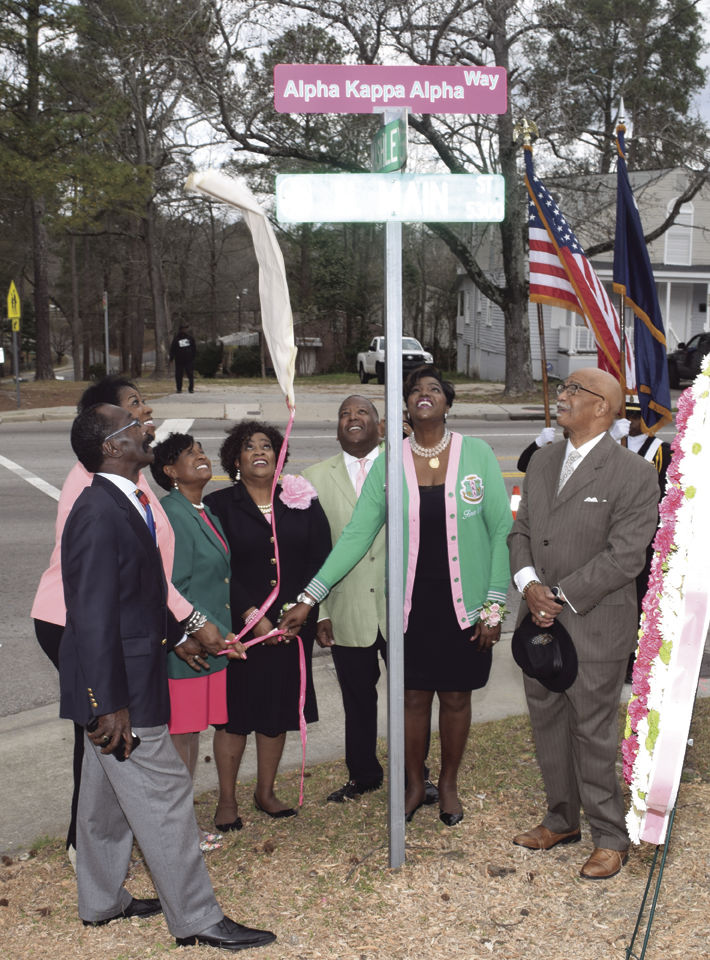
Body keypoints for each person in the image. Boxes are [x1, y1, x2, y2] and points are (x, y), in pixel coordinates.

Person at [60, 403, 275, 950]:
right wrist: (107, 702)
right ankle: (197, 917)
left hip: (130, 670)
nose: (148, 429)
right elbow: (91, 614)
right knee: (166, 796)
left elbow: (138, 590)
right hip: (120, 688)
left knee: (103, 800)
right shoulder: (97, 511)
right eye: (136, 428)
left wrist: (178, 633)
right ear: (113, 446)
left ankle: (101, 900)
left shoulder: (128, 499)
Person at [280, 366, 512, 826]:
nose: (424, 395)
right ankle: (410, 785)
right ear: (404, 407)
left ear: (448, 402)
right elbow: (356, 537)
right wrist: (310, 597)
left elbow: (501, 530)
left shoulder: (479, 454)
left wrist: (493, 606)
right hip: (410, 606)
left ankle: (447, 784)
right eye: (415, 391)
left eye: (433, 389)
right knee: (411, 698)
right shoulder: (390, 463)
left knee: (457, 698)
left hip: (464, 605)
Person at [31, 376, 225, 865]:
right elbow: (95, 580)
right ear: (109, 435)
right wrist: (189, 621)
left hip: (125, 618)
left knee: (103, 742)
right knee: (111, 727)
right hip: (76, 619)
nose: (145, 412)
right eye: (132, 406)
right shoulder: (93, 487)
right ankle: (102, 844)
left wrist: (176, 628)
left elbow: (146, 574)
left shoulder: (131, 482)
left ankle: (93, 853)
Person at [508, 368, 660, 880]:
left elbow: (625, 557)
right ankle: (560, 820)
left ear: (604, 407)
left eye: (575, 390)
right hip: (538, 620)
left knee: (593, 732)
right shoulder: (545, 459)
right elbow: (521, 531)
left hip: (593, 624)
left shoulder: (634, 474)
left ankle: (610, 836)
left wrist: (560, 596)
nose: (564, 395)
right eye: (565, 387)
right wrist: (530, 586)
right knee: (547, 720)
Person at [303, 395, 438, 805]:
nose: (352, 418)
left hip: (405, 607)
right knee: (357, 699)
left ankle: (415, 774)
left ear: (382, 426)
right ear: (337, 427)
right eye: (344, 413)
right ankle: (363, 774)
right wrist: (320, 609)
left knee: (412, 696)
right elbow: (311, 551)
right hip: (346, 609)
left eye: (362, 412)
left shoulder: (405, 467)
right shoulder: (311, 477)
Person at [204, 421, 331, 823]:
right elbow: (216, 568)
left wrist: (305, 608)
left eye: (267, 445)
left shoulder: (301, 499)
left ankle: (265, 791)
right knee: (234, 715)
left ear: (279, 456)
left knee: (276, 710)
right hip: (240, 629)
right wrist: (253, 617)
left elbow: (320, 557)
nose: (260, 451)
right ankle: (227, 800)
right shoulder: (220, 505)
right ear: (236, 460)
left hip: (293, 626)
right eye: (249, 446)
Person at [150, 433, 247, 847]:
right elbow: (171, 585)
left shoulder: (203, 510)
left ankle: (179, 825)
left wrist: (223, 633)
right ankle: (176, 830)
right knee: (181, 741)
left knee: (191, 737)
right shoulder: (172, 513)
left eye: (201, 450)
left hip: (210, 646)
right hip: (186, 649)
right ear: (170, 472)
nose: (201, 457)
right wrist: (192, 632)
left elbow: (215, 581)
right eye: (189, 455)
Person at [169, 323, 197, 394]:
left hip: (189, 360)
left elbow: (194, 348)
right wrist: (171, 358)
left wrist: (193, 357)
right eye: (183, 329)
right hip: (179, 360)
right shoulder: (176, 339)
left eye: (186, 329)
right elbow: (173, 349)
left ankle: (191, 388)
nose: (185, 330)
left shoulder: (190, 338)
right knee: (178, 375)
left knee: (190, 374)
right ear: (180, 330)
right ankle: (179, 388)